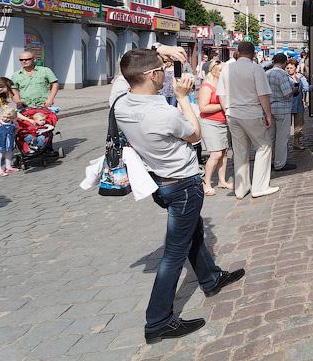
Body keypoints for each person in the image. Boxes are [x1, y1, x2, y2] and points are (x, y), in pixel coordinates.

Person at [113, 49, 244, 343]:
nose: (165, 73)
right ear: (151, 76)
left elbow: (124, 73)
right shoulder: (163, 112)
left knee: (192, 232)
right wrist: (184, 98)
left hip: (159, 184)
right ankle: (158, 320)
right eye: (161, 68)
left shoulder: (120, 103)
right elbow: (195, 134)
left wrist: (157, 51)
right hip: (183, 185)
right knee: (173, 254)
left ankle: (211, 278)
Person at [217, 41, 278, 199]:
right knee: (263, 146)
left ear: (238, 51)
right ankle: (259, 186)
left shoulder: (227, 69)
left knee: (240, 151)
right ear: (253, 53)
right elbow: (262, 94)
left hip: (232, 113)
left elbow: (221, 94)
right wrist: (268, 115)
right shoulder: (255, 68)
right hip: (251, 112)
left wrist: (227, 112)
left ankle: (241, 188)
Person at [198, 63, 233, 195]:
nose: (223, 72)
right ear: (213, 71)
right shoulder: (206, 87)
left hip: (223, 122)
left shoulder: (223, 85)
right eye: (220, 70)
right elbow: (203, 108)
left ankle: (222, 181)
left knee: (224, 154)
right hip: (210, 123)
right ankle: (206, 183)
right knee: (216, 154)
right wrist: (222, 105)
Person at [265, 53, 297, 172]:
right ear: (284, 63)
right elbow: (287, 93)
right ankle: (280, 163)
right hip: (282, 109)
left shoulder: (266, 73)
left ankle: (271, 161)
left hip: (269, 108)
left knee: (271, 137)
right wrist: (294, 89)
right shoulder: (281, 74)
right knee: (282, 138)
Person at [287, 58, 309, 150]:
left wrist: (311, 87)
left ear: (296, 68)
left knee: (298, 125)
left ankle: (296, 142)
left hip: (298, 104)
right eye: (287, 68)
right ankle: (284, 143)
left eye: (291, 68)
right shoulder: (284, 77)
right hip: (288, 105)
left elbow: (306, 87)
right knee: (286, 126)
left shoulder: (301, 77)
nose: (289, 70)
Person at [0, 107, 18, 176]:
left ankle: (8, 167)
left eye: (8, 117)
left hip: (9, 142)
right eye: (4, 117)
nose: (6, 119)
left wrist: (14, 134)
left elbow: (17, 128)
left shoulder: (13, 123)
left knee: (9, 154)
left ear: (13, 118)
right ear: (1, 115)